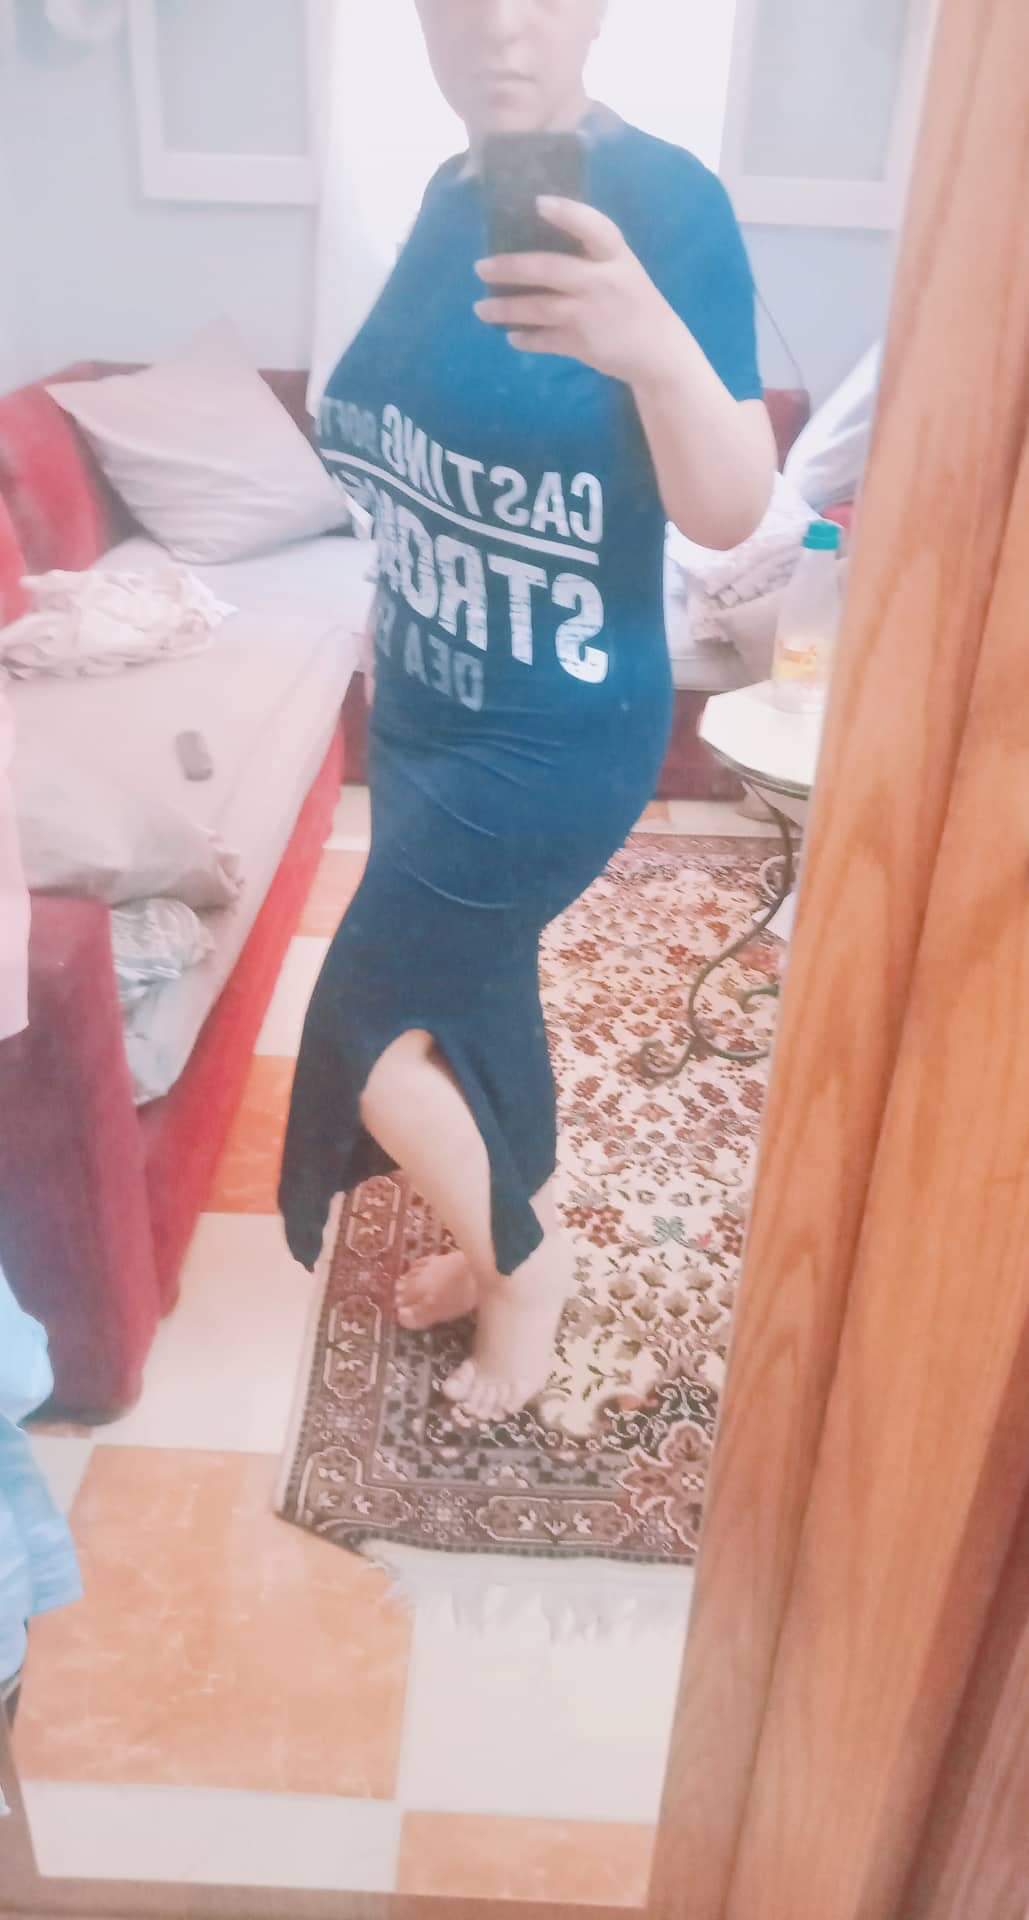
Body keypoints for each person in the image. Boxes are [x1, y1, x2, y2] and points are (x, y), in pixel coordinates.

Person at [279, 0, 776, 1422]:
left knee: (367, 1035)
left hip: (552, 733)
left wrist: (653, 348)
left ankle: (528, 1267)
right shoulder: (452, 197)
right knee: (480, 996)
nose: (500, 30)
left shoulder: (666, 201)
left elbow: (728, 503)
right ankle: (508, 1235)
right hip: (424, 713)